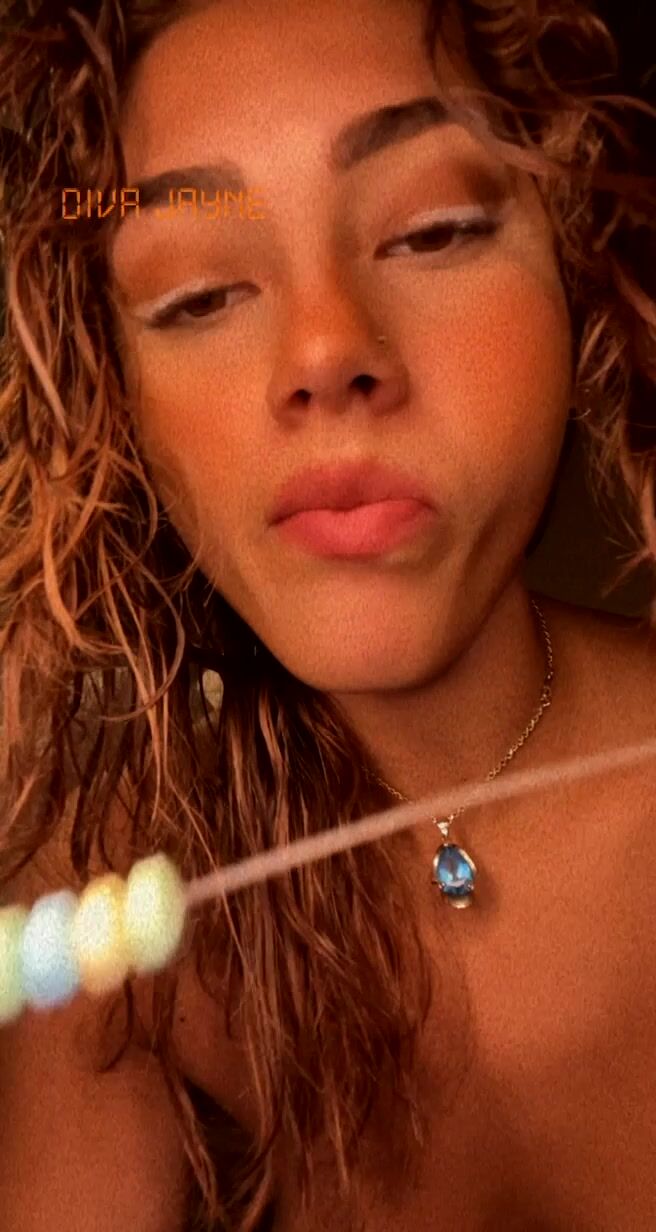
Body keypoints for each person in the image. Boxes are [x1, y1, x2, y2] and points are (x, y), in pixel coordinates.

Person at [0, 0, 655, 1228]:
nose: (323, 350)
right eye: (198, 295)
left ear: (576, 260)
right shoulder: (114, 892)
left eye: (430, 230)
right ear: (112, 399)